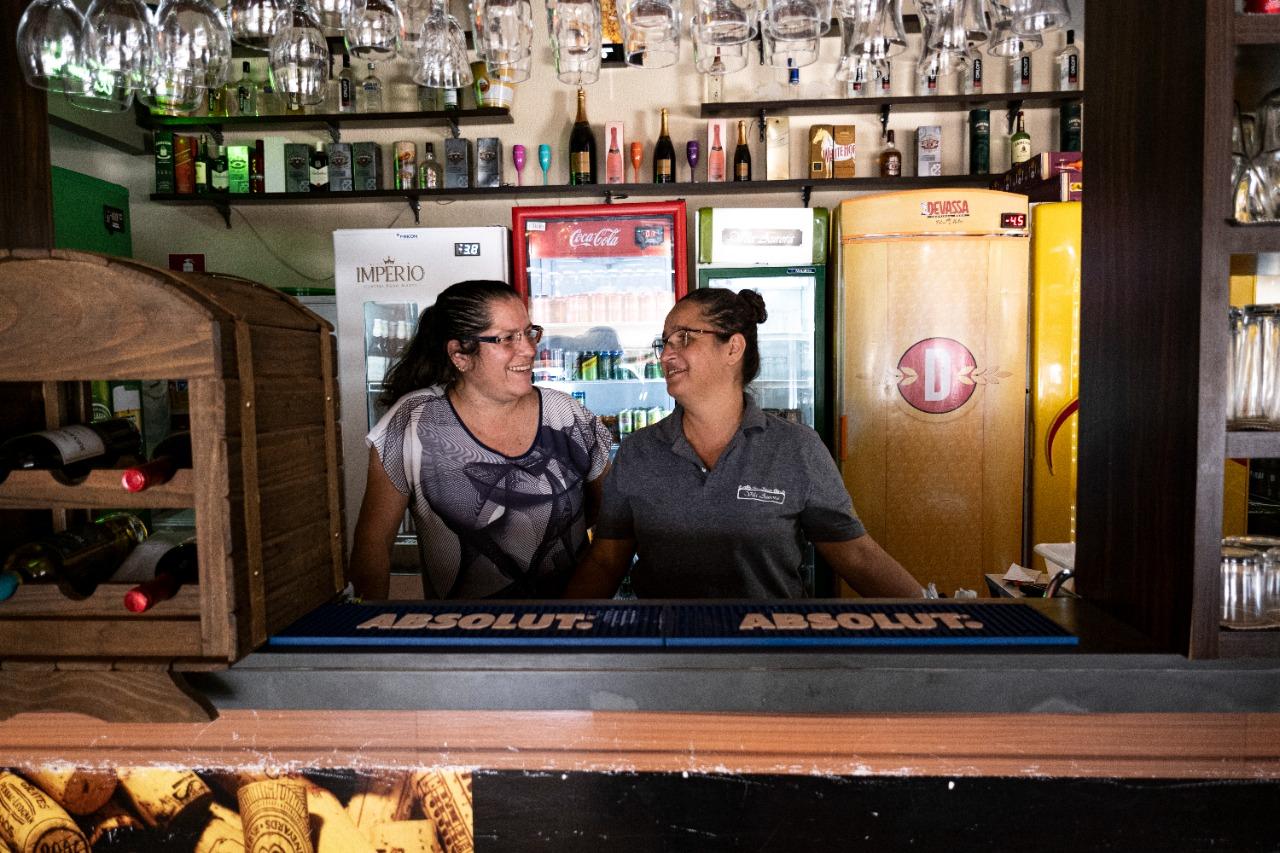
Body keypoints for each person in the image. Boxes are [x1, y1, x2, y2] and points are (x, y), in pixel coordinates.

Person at [565, 287, 922, 600]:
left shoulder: (795, 448)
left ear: (733, 348)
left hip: (771, 657)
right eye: (665, 342)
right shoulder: (639, 451)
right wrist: (552, 632)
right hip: (668, 656)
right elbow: (607, 560)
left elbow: (856, 555)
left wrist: (934, 615)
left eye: (684, 338)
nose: (665, 355)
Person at [350, 280, 612, 600]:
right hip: (461, 638)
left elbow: (612, 522)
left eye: (529, 332)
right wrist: (370, 632)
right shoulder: (412, 422)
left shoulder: (567, 415)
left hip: (571, 629)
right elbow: (372, 547)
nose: (529, 349)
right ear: (460, 354)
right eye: (506, 338)